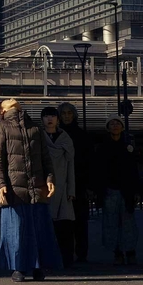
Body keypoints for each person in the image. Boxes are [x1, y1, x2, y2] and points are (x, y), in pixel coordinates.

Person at [0, 99, 62, 282]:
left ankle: (38, 267)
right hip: (14, 189)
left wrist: (49, 178)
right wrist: (0, 185)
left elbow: (46, 158)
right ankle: (18, 267)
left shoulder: (35, 128)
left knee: (38, 229)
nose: (12, 99)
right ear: (3, 110)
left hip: (36, 186)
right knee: (17, 229)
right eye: (7, 101)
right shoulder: (1, 127)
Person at [94, 114, 139, 265]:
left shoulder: (129, 147)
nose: (115, 126)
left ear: (122, 127)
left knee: (128, 222)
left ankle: (131, 250)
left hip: (127, 189)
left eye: (117, 123)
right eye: (112, 124)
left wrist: (137, 190)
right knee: (111, 222)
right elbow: (97, 171)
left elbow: (134, 170)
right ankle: (117, 251)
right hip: (109, 189)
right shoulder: (101, 147)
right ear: (107, 128)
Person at [41, 106, 76, 267]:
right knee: (45, 227)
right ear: (42, 119)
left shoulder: (66, 138)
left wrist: (71, 190)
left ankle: (66, 260)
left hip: (63, 187)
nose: (50, 119)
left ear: (58, 119)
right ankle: (47, 260)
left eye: (52, 116)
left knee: (65, 227)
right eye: (46, 116)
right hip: (43, 186)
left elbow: (71, 165)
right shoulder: (38, 136)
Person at [58, 102, 91, 262]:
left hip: (79, 182)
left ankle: (81, 252)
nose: (66, 116)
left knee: (80, 220)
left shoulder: (81, 135)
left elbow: (88, 161)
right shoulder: (54, 134)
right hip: (61, 183)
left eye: (69, 113)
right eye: (63, 113)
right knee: (64, 221)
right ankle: (66, 252)